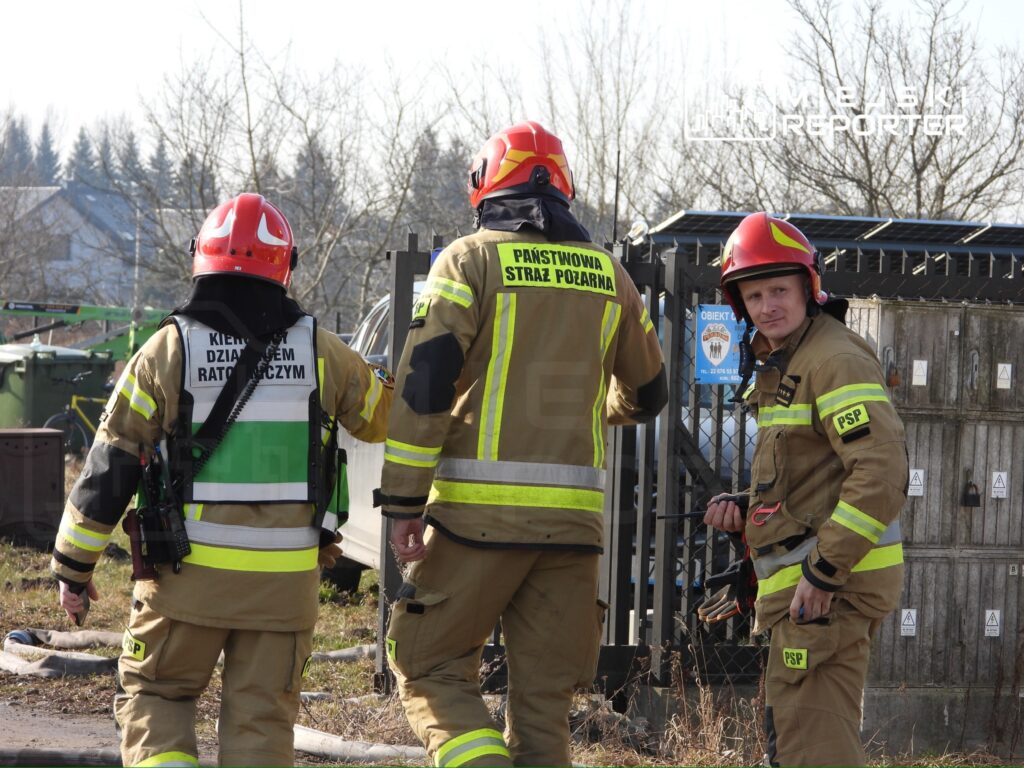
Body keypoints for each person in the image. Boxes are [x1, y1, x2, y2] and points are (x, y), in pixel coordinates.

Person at [50, 193, 393, 767]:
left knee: (157, 698)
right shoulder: (324, 352)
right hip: (284, 591)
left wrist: (73, 568)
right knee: (261, 726)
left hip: (186, 580)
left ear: (200, 259)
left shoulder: (168, 350)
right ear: (286, 265)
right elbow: (383, 417)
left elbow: (110, 467)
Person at [377, 121, 667, 767]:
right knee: (543, 709)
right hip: (573, 532)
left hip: (474, 526)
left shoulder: (470, 260)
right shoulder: (610, 275)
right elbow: (649, 395)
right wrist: (594, 409)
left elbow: (424, 391)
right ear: (563, 189)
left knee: (427, 669)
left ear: (484, 187)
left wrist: (400, 504)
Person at [703, 212, 906, 766]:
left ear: (808, 286)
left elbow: (880, 472)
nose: (767, 305)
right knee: (794, 745)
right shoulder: (790, 360)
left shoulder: (832, 360)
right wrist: (750, 510)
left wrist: (824, 572)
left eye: (779, 290)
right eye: (753, 295)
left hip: (829, 595)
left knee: (813, 754)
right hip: (811, 598)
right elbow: (817, 478)